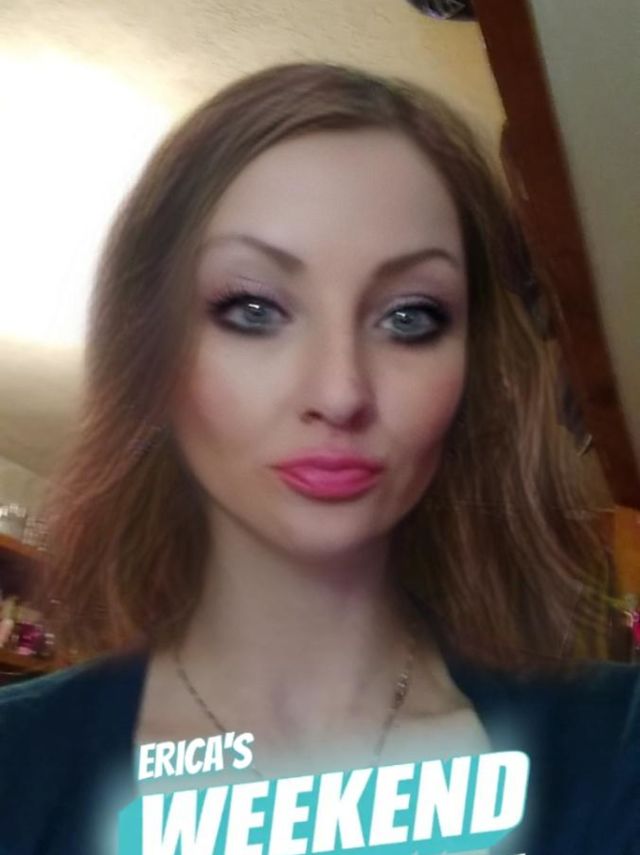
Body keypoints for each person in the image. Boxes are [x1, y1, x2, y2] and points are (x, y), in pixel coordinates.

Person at [0, 62, 638, 855]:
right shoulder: (16, 766)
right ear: (150, 352)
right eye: (253, 308)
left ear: (475, 369)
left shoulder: (617, 751)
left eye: (410, 317)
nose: (340, 391)